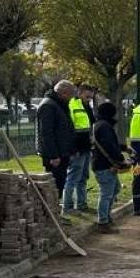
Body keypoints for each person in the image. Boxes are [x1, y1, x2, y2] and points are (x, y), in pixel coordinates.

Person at [36, 80, 77, 224]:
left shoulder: (58, 104)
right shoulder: (48, 106)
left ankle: (55, 214)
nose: (71, 99)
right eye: (70, 96)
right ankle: (51, 216)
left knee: (59, 184)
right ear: (63, 92)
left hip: (62, 152)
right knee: (54, 186)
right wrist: (53, 155)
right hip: (54, 155)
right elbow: (46, 133)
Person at [90, 101, 130, 233]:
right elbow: (109, 146)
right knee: (106, 193)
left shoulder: (101, 125)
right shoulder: (104, 126)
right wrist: (121, 160)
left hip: (103, 164)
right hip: (104, 165)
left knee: (115, 189)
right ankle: (103, 222)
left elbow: (110, 144)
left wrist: (124, 148)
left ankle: (106, 217)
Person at [64, 83, 96, 214]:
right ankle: (68, 206)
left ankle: (82, 204)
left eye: (91, 98)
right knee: (73, 177)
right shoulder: (72, 105)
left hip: (86, 147)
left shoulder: (87, 106)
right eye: (87, 97)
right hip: (77, 148)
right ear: (80, 93)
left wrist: (92, 137)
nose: (89, 100)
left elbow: (90, 124)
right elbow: (69, 129)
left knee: (83, 177)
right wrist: (73, 149)